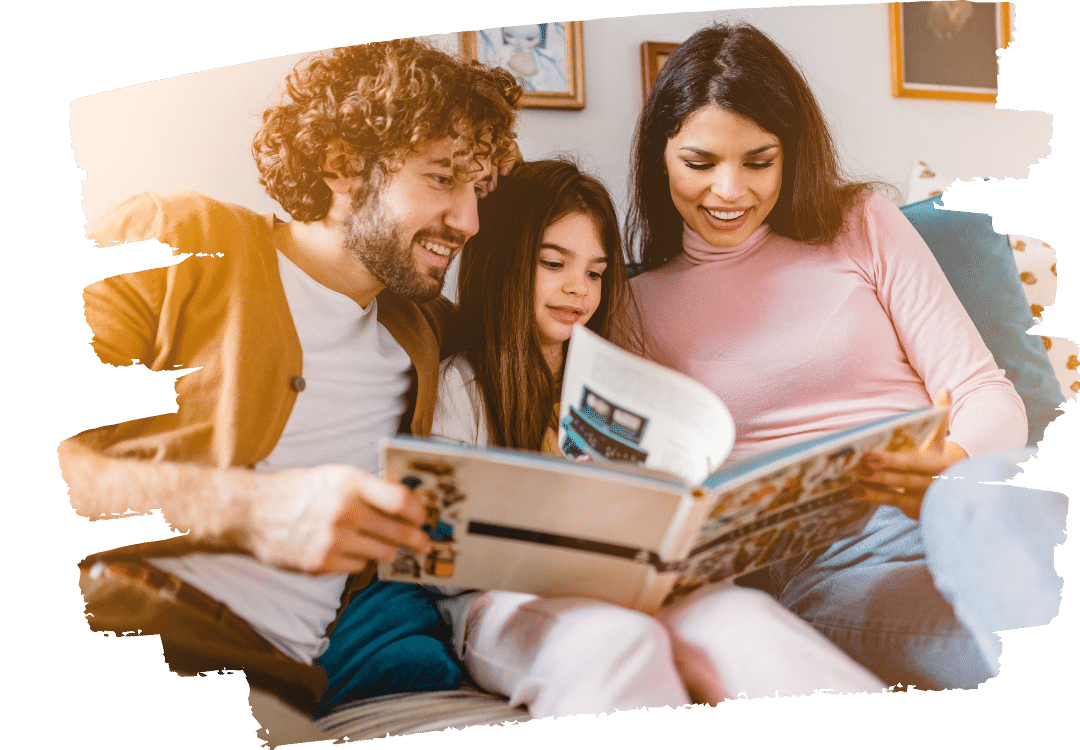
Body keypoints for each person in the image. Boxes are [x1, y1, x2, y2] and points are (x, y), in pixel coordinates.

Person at [58, 38, 521, 715]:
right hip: (129, 617)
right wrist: (257, 510)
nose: (471, 220)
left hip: (277, 676)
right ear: (341, 166)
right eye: (443, 177)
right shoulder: (177, 238)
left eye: (479, 189)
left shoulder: (422, 332)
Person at [623, 23, 1030, 690]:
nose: (729, 192)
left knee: (1019, 521)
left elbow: (984, 391)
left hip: (966, 505)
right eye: (700, 164)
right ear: (658, 157)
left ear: (792, 153)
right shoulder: (630, 309)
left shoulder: (860, 222)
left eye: (759, 162)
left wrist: (954, 467)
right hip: (830, 569)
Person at [428, 159, 887, 718]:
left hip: (637, 587)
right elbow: (443, 546)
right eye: (554, 264)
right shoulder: (460, 386)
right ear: (503, 263)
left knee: (747, 623)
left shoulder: (616, 379)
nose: (578, 289)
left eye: (596, 273)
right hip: (507, 602)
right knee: (619, 643)